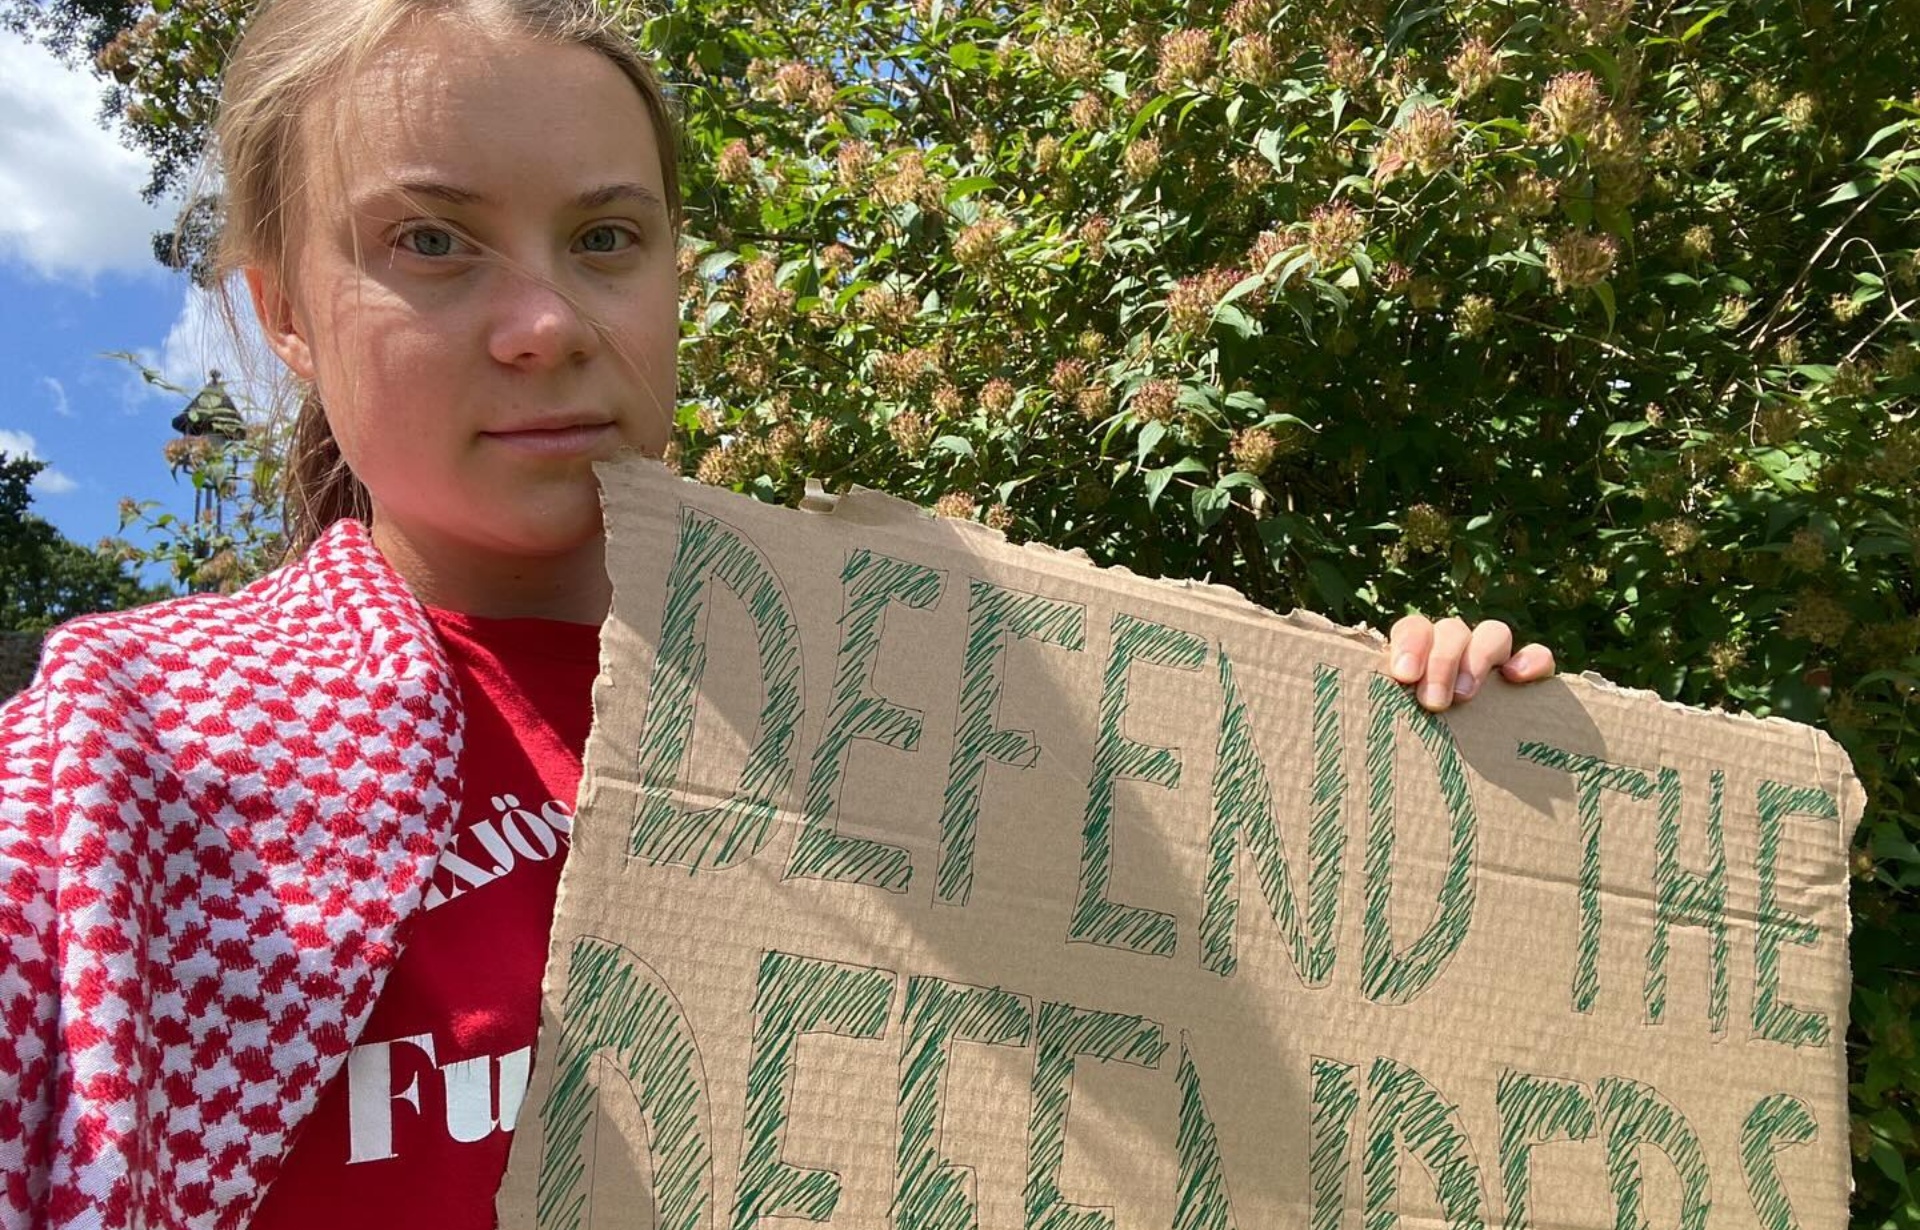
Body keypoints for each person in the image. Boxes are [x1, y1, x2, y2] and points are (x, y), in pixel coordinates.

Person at [0, 1, 1558, 1226]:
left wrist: (1420, 775)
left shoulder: (944, 701)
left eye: (607, 238)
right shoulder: (111, 767)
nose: (546, 324)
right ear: (279, 309)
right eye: (430, 242)